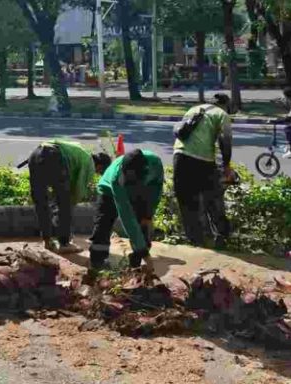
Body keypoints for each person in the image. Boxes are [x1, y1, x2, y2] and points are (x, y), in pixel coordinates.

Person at [27, 139, 112, 254]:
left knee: (41, 200)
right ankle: (64, 243)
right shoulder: (89, 163)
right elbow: (78, 190)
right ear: (100, 166)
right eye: (99, 172)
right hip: (54, 157)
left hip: (35, 155)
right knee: (65, 203)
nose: (96, 173)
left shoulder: (81, 153)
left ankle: (47, 241)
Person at [173, 93, 234, 248]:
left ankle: (196, 241)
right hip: (202, 160)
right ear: (225, 105)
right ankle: (222, 236)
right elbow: (225, 141)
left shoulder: (193, 109)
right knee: (212, 198)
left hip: (179, 156)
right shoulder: (222, 114)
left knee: (186, 201)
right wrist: (226, 165)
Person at [89, 149, 164, 271]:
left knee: (143, 223)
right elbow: (127, 218)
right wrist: (146, 255)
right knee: (103, 223)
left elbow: (156, 189)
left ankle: (136, 261)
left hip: (141, 189)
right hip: (108, 190)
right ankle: (97, 262)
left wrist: (149, 214)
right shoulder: (117, 179)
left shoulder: (155, 164)